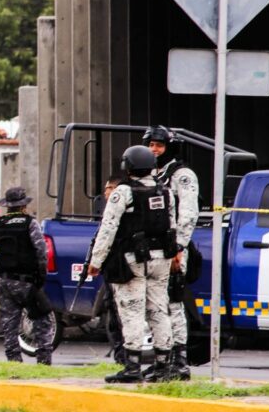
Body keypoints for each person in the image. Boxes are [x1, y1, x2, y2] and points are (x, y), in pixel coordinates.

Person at [88, 146, 176, 383]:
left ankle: (133, 367)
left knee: (132, 312)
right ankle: (163, 366)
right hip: (162, 258)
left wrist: (95, 261)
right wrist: (176, 254)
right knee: (159, 311)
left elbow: (107, 229)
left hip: (133, 260)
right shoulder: (165, 191)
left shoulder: (123, 192)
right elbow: (172, 225)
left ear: (128, 166)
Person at [0, 186, 53, 365]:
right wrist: (41, 275)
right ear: (24, 206)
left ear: (7, 206)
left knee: (9, 326)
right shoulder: (30, 223)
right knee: (42, 321)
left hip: (6, 282)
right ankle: (44, 363)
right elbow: (41, 251)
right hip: (28, 282)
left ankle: (14, 364)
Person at [145, 125, 200, 380]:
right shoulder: (152, 174)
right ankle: (162, 361)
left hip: (174, 250)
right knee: (154, 308)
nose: (153, 150)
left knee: (173, 305)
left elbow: (188, 214)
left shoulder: (182, 174)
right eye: (150, 145)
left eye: (158, 145)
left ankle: (180, 362)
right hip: (152, 249)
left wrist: (178, 248)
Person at [92, 176, 125, 365]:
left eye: (108, 188)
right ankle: (122, 357)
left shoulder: (120, 211)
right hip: (114, 270)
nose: (105, 193)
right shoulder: (110, 211)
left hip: (120, 270)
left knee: (119, 316)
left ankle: (125, 358)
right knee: (113, 315)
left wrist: (95, 262)